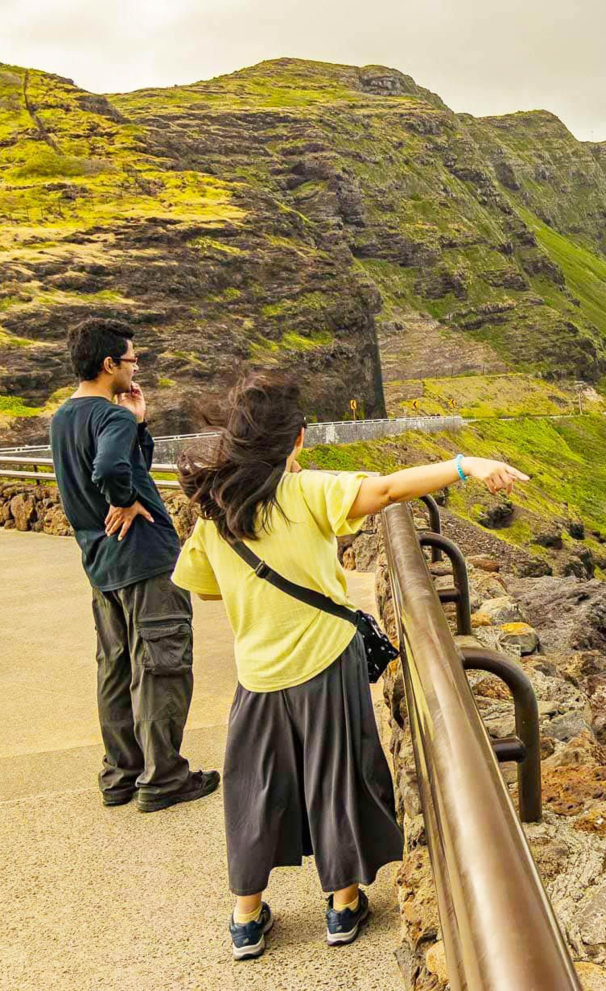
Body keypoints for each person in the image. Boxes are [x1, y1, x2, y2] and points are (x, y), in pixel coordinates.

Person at [172, 372, 529, 961]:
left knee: (255, 786)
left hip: (258, 673)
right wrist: (464, 464)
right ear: (298, 441)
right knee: (334, 775)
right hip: (323, 660)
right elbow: (387, 491)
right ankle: (341, 905)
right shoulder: (308, 491)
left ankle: (247, 915)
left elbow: (203, 587)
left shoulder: (216, 511)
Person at [50, 318, 219, 811]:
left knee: (116, 667)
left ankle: (120, 774)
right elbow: (109, 468)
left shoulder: (64, 418)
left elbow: (111, 462)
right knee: (162, 666)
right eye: (131, 359)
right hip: (144, 560)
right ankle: (164, 777)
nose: (136, 366)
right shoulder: (111, 417)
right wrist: (123, 498)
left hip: (102, 564)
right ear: (108, 365)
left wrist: (139, 423)